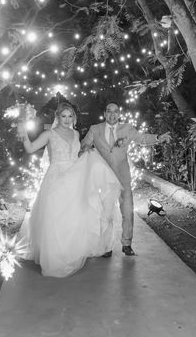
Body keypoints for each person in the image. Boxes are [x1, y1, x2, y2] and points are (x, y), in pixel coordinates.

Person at [17, 102, 122, 277]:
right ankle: (55, 257)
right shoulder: (49, 134)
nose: (67, 120)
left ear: (74, 117)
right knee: (55, 216)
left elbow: (76, 154)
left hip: (75, 178)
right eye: (63, 116)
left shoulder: (76, 134)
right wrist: (23, 135)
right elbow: (30, 149)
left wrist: (87, 152)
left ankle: (72, 251)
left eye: (70, 116)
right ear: (58, 117)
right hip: (56, 178)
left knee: (75, 216)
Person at [80, 102, 171, 256]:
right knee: (105, 214)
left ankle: (127, 243)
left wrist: (158, 138)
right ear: (105, 113)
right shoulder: (95, 129)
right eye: (109, 111)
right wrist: (86, 148)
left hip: (123, 177)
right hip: (104, 180)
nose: (112, 114)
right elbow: (84, 144)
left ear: (119, 114)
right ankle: (106, 247)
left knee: (127, 211)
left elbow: (142, 138)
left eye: (115, 112)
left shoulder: (127, 129)